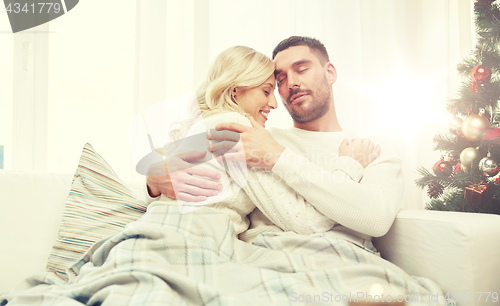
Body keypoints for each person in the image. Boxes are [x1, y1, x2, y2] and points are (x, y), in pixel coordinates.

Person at [147, 36, 402, 247]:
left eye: (302, 69)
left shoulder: (373, 148)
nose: (291, 83)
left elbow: (376, 219)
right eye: (279, 80)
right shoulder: (256, 135)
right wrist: (153, 175)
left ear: (330, 72)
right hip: (254, 254)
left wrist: (278, 157)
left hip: (342, 256)